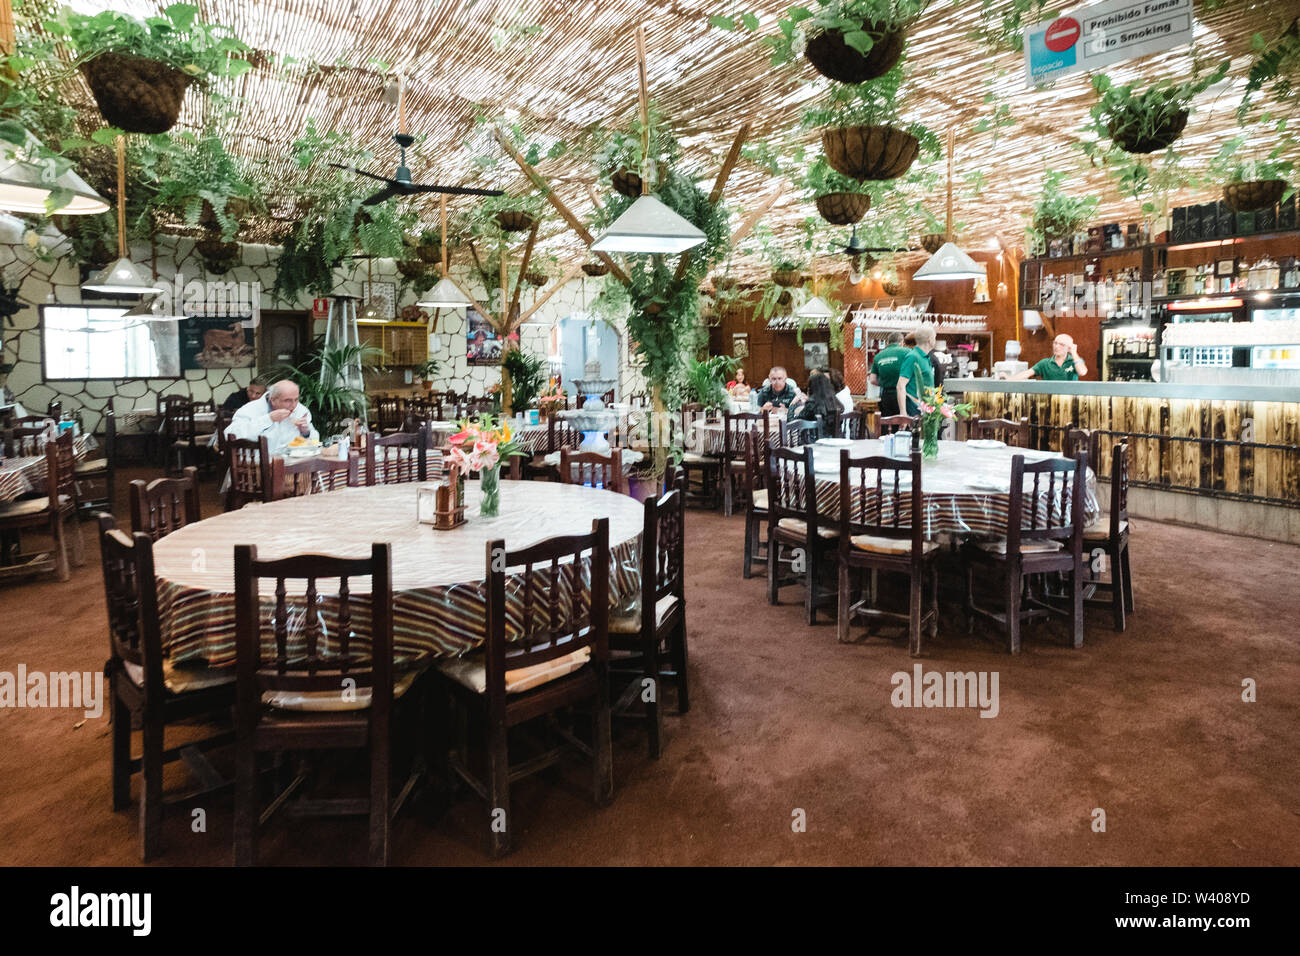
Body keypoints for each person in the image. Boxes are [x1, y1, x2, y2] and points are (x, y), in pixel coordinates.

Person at [226, 379, 318, 454]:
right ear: (273, 400)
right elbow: (230, 435)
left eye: (296, 399)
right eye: (288, 400)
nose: (294, 405)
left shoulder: (301, 410)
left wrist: (306, 432)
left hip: (292, 467)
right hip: (254, 468)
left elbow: (315, 441)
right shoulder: (249, 409)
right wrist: (268, 419)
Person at [1008, 333, 1087, 381]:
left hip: (1070, 402)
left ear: (1069, 347)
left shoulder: (1075, 361)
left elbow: (1082, 372)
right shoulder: (1045, 363)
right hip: (1050, 401)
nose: (1056, 346)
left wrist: (1074, 352)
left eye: (1061, 344)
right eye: (1055, 343)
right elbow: (1027, 373)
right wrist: (1009, 379)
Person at [896, 325, 937, 417]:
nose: (935, 340)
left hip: (926, 411)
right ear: (930, 340)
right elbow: (900, 386)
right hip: (914, 411)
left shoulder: (925, 357)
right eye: (934, 337)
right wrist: (903, 413)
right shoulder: (913, 357)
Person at [869, 332, 910, 417]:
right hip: (904, 394)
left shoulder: (878, 356)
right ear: (901, 342)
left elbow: (872, 380)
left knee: (887, 423)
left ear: (888, 342)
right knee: (903, 423)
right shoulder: (907, 352)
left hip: (885, 395)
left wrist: (884, 382)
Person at [792, 371, 841, 440]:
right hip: (834, 440)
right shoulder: (834, 400)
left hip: (813, 441)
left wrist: (793, 404)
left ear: (811, 387)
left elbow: (796, 422)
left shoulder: (812, 402)